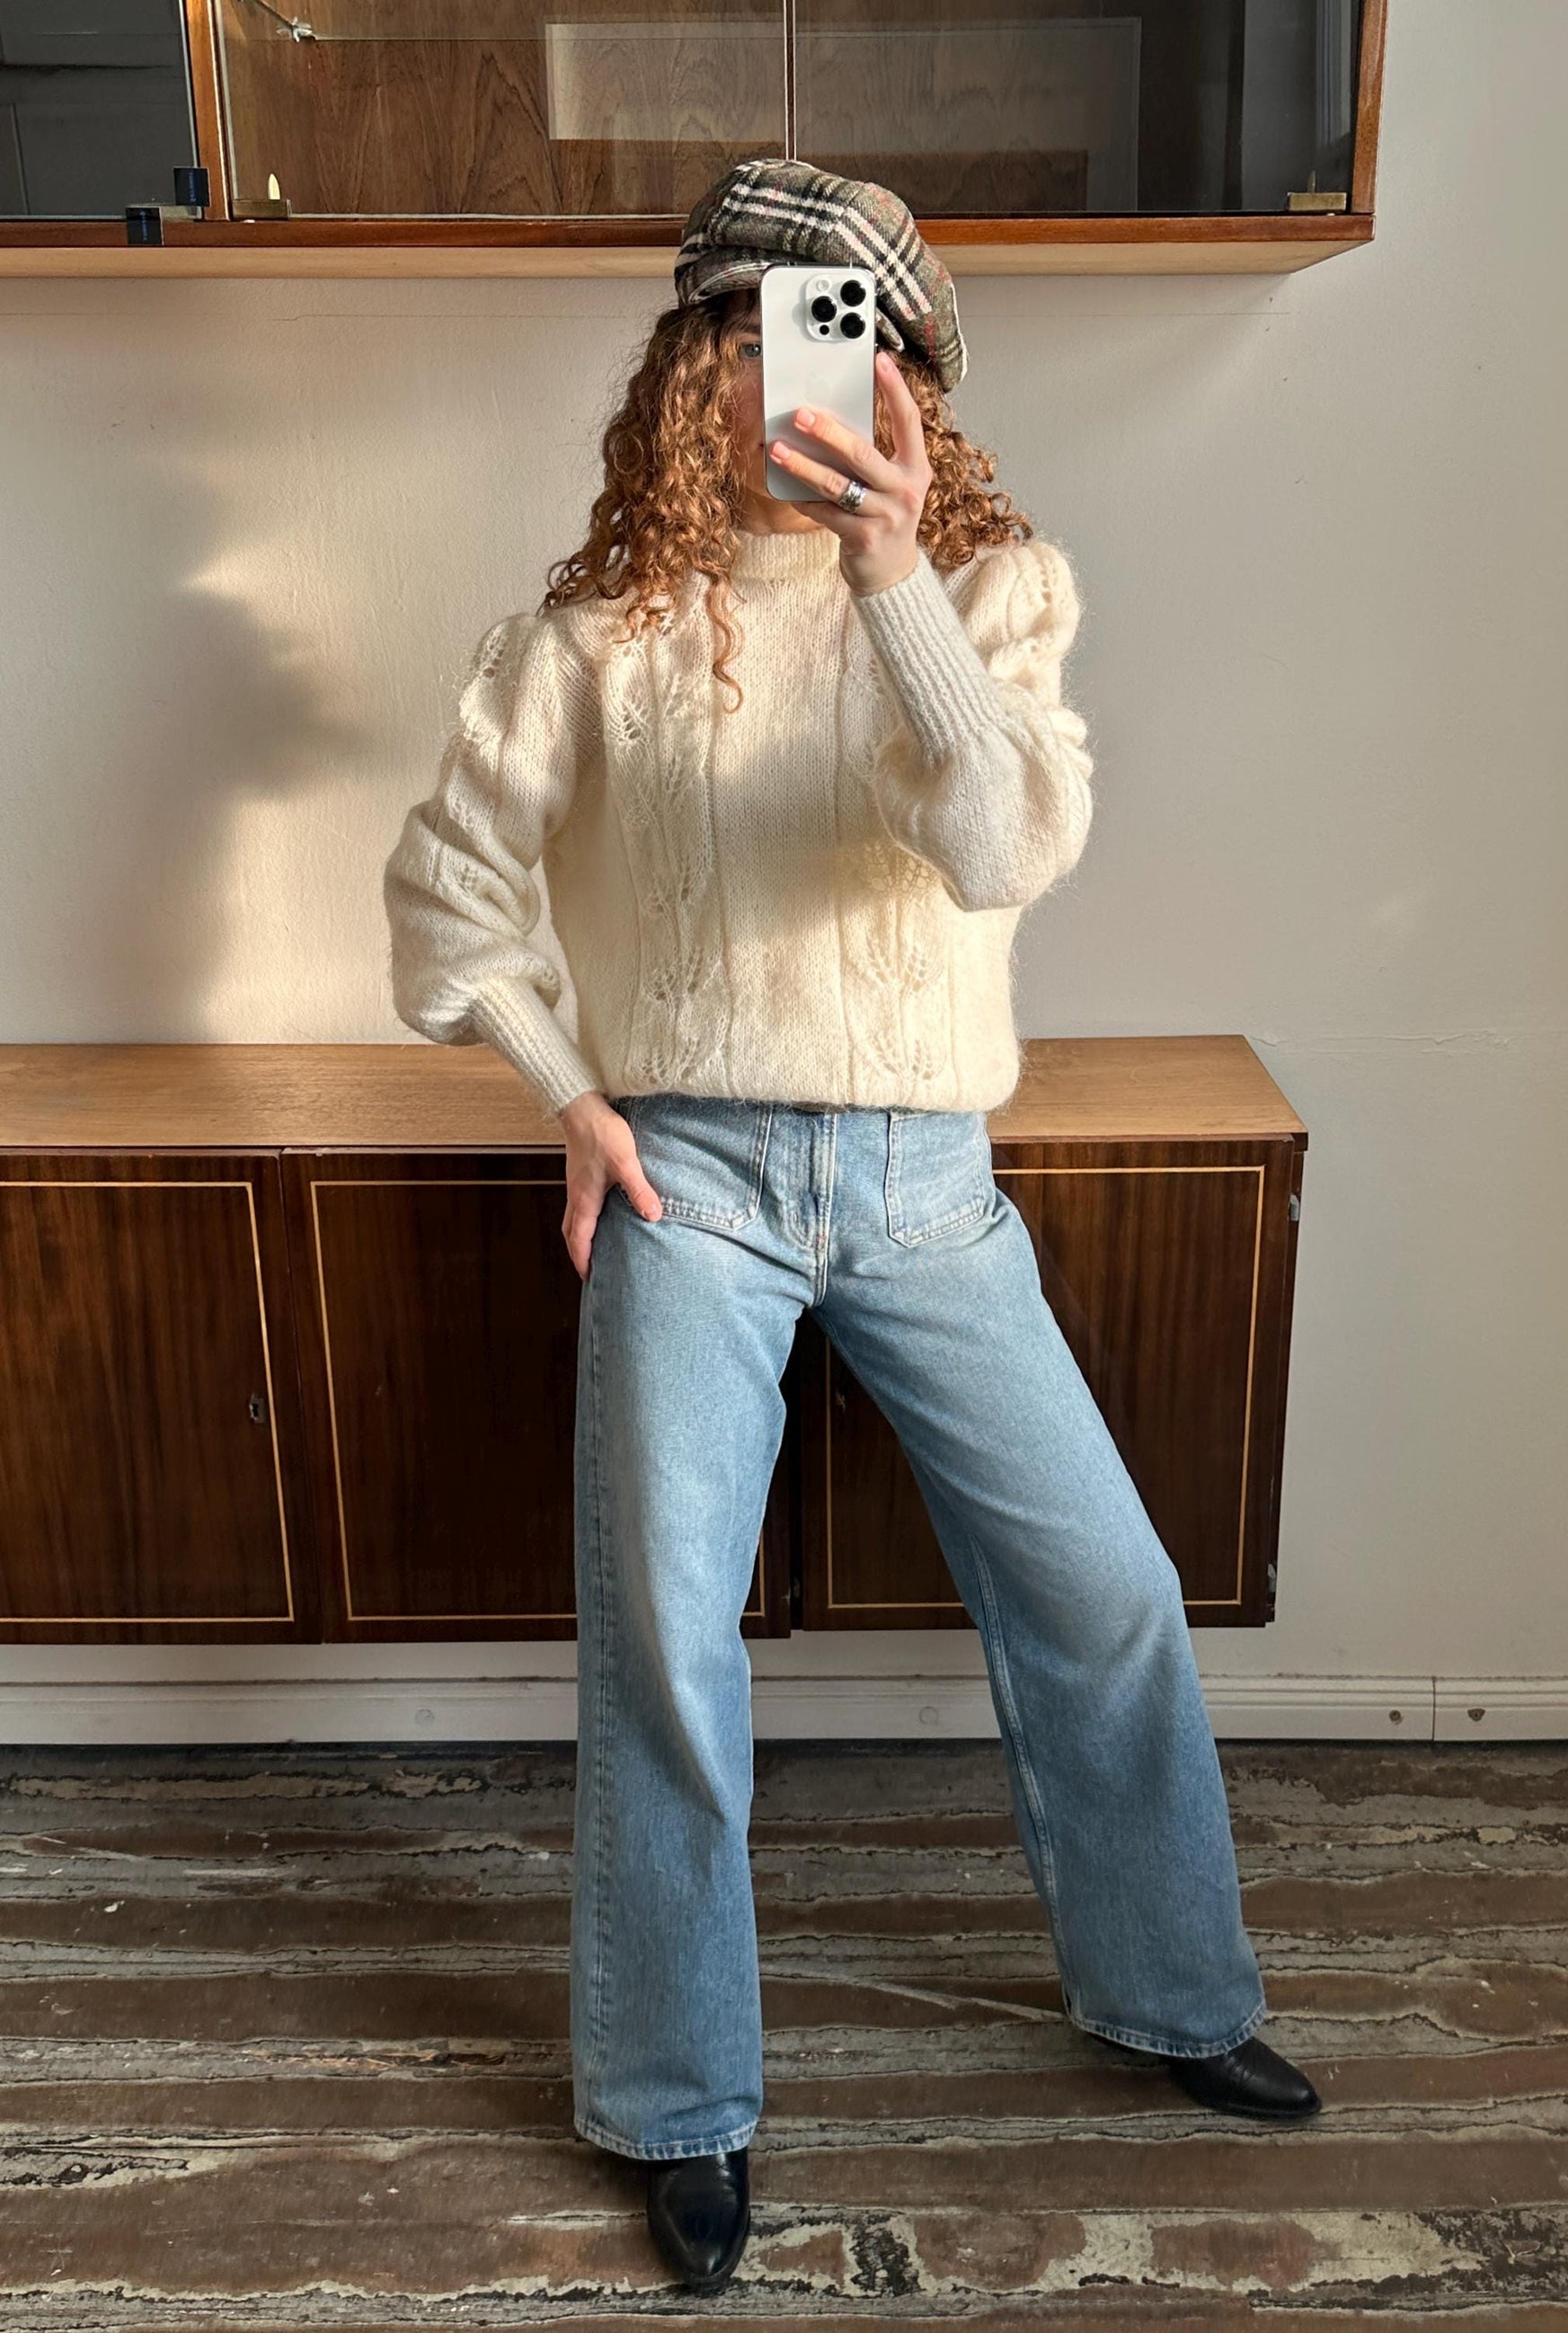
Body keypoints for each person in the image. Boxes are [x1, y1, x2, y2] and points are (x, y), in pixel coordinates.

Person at [382, 155, 1319, 2300]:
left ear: (914, 383)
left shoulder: (995, 598)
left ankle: (1172, 1990)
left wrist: (897, 575)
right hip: (685, 1179)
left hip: (926, 1182)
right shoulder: (590, 639)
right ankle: (676, 2099)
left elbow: (995, 846)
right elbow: (443, 903)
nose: (802, 373)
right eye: (758, 330)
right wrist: (569, 1091)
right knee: (666, 1647)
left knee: (1102, 1589)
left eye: (860, 336)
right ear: (691, 367)